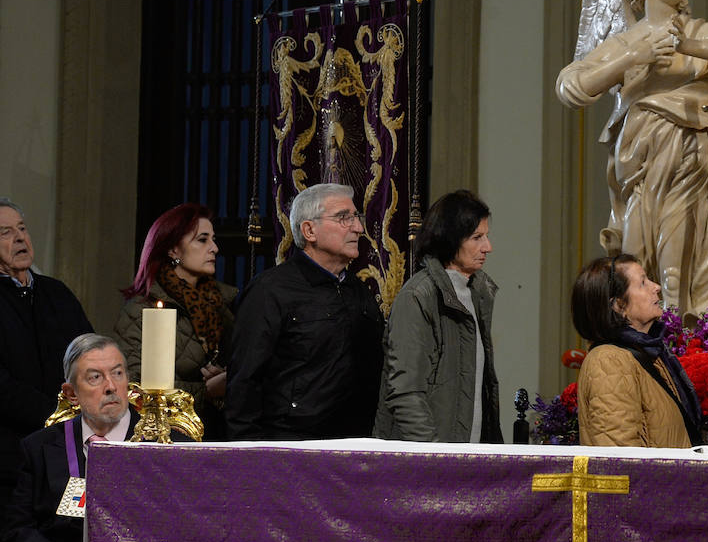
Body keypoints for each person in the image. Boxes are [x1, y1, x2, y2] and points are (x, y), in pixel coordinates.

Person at [557, 0, 708, 315]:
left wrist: (689, 46)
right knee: (644, 253)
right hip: (645, 160)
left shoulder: (699, 33)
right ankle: (646, 330)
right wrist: (633, 57)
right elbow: (571, 86)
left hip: (700, 158)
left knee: (700, 253)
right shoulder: (628, 41)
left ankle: (693, 334)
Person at [224, 183, 383, 440]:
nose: (358, 228)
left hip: (355, 445)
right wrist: (249, 457)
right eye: (344, 218)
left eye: (356, 217)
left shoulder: (360, 291)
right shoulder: (270, 290)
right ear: (309, 230)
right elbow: (245, 381)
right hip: (289, 448)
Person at [2, 334, 135, 542]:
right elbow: (16, 530)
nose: (111, 387)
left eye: (118, 373)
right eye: (95, 377)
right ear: (71, 393)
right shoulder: (39, 448)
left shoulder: (163, 443)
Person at [375, 190, 502, 443]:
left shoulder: (477, 293)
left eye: (486, 236)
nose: (488, 247)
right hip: (428, 465)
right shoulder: (418, 296)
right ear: (450, 239)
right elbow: (406, 392)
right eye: (477, 237)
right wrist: (435, 460)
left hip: (465, 458)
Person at [0, 200, 92, 539]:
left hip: (68, 453)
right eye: (5, 232)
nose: (20, 238)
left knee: (69, 534)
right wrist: (58, 413)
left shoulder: (57, 293)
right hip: (11, 457)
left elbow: (89, 355)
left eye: (22, 228)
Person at [113, 204, 236, 440]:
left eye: (213, 239)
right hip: (166, 437)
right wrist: (206, 391)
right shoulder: (142, 310)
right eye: (202, 240)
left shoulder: (222, 305)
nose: (215, 248)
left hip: (219, 432)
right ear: (173, 250)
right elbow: (132, 387)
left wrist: (225, 377)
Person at [572, 255, 702, 448]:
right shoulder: (609, 362)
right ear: (618, 305)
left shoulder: (646, 352)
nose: (656, 286)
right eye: (643, 283)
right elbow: (620, 458)